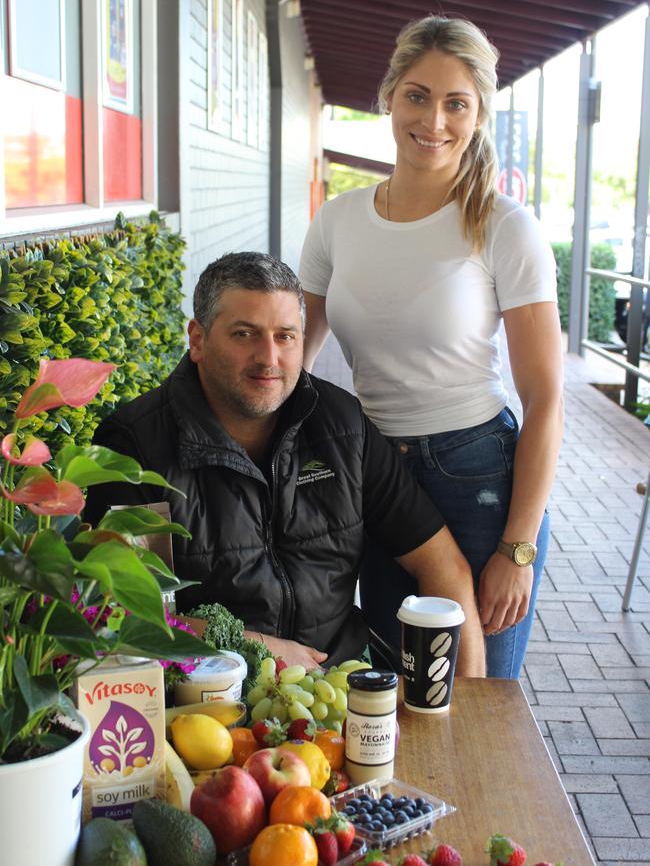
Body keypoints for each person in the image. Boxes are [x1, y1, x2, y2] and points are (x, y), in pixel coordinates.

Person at [299, 15, 564, 678]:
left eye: (456, 103)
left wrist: (518, 547)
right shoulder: (338, 222)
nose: (434, 119)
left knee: (479, 704)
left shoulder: (504, 227)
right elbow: (291, 363)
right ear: (389, 96)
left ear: (478, 116)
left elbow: (545, 395)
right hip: (374, 477)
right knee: (397, 693)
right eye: (418, 94)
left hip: (476, 477)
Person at [84, 251, 485, 675]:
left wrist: (469, 720)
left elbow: (444, 567)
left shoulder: (342, 426)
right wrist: (255, 647)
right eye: (244, 334)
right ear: (198, 340)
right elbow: (121, 615)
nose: (269, 358)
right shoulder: (135, 447)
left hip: (340, 680)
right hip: (208, 698)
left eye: (285, 336)